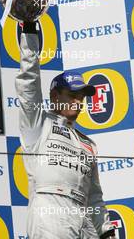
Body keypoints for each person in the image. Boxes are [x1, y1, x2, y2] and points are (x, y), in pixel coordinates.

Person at [15, 22, 116, 239]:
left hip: (84, 217)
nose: (78, 102)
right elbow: (28, 85)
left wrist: (106, 232)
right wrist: (30, 31)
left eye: (81, 98)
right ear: (54, 97)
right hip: (51, 211)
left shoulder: (88, 144)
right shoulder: (37, 124)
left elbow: (95, 195)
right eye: (72, 96)